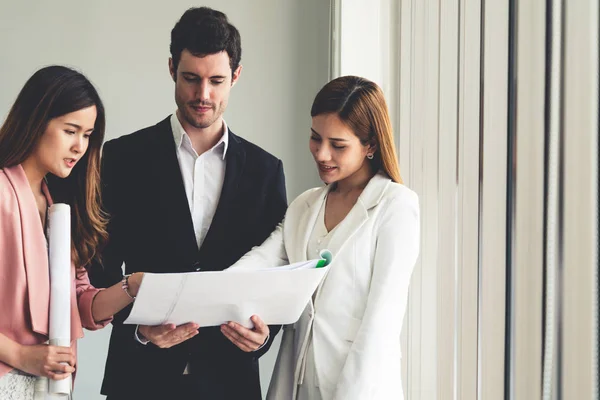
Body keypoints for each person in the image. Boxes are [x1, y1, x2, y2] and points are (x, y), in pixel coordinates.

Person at [88, 6, 287, 400]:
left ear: (237, 75)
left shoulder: (266, 170)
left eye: (217, 80)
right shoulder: (121, 158)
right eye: (191, 79)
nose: (203, 95)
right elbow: (99, 267)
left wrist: (264, 336)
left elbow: (277, 269)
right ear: (170, 68)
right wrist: (138, 327)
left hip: (230, 381)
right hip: (138, 378)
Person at [225, 76, 420, 400]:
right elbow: (263, 259)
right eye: (316, 138)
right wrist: (205, 292)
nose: (322, 154)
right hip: (296, 384)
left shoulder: (396, 206)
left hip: (358, 387)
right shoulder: (305, 205)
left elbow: (381, 321)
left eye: (338, 145)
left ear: (370, 145)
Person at [0, 65, 144, 399]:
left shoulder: (59, 207)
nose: (80, 146)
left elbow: (80, 302)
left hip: (48, 386)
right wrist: (22, 355)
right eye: (70, 131)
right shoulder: (4, 195)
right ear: (36, 122)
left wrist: (134, 286)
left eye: (88, 134)